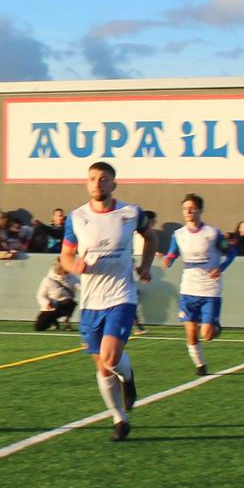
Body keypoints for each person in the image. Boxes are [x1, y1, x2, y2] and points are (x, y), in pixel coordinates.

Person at [61, 161, 154, 438]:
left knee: (110, 357)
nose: (97, 183)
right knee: (102, 366)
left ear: (114, 183)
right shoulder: (76, 217)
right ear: (87, 183)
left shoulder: (131, 213)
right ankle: (119, 418)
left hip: (121, 296)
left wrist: (146, 265)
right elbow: (66, 255)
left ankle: (128, 375)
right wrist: (73, 265)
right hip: (90, 302)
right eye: (92, 178)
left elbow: (150, 237)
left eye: (103, 178)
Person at [161, 193, 229, 375]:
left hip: (210, 289)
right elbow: (173, 253)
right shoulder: (179, 234)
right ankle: (200, 365)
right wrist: (168, 259)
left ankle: (215, 327)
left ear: (200, 210)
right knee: (191, 332)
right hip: (189, 289)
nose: (188, 211)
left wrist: (221, 266)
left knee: (206, 334)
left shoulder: (212, 233)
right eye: (185, 208)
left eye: (192, 208)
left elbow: (230, 251)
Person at [34, 258, 78, 332]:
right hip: (51, 306)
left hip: (65, 305)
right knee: (39, 327)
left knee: (69, 302)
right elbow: (40, 295)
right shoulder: (47, 280)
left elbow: (80, 286)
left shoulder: (71, 277)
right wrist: (46, 303)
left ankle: (67, 321)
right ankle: (53, 321)